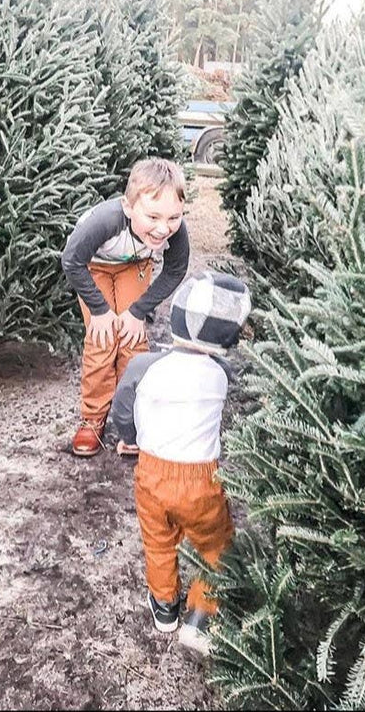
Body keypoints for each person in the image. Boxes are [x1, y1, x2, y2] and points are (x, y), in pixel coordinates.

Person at [109, 269, 251, 655]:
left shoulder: (143, 366)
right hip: (199, 480)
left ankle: (165, 607)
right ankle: (201, 617)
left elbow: (122, 410)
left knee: (157, 541)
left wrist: (131, 438)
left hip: (151, 473)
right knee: (216, 546)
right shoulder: (222, 374)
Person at [61, 158, 189, 457]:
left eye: (173, 217)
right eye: (153, 216)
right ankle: (93, 418)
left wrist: (136, 312)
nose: (163, 228)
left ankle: (133, 419)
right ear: (129, 207)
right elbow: (71, 261)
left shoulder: (175, 231)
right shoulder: (105, 220)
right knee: (102, 339)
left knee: (132, 339)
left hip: (134, 264)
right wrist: (101, 311)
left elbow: (174, 271)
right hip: (91, 267)